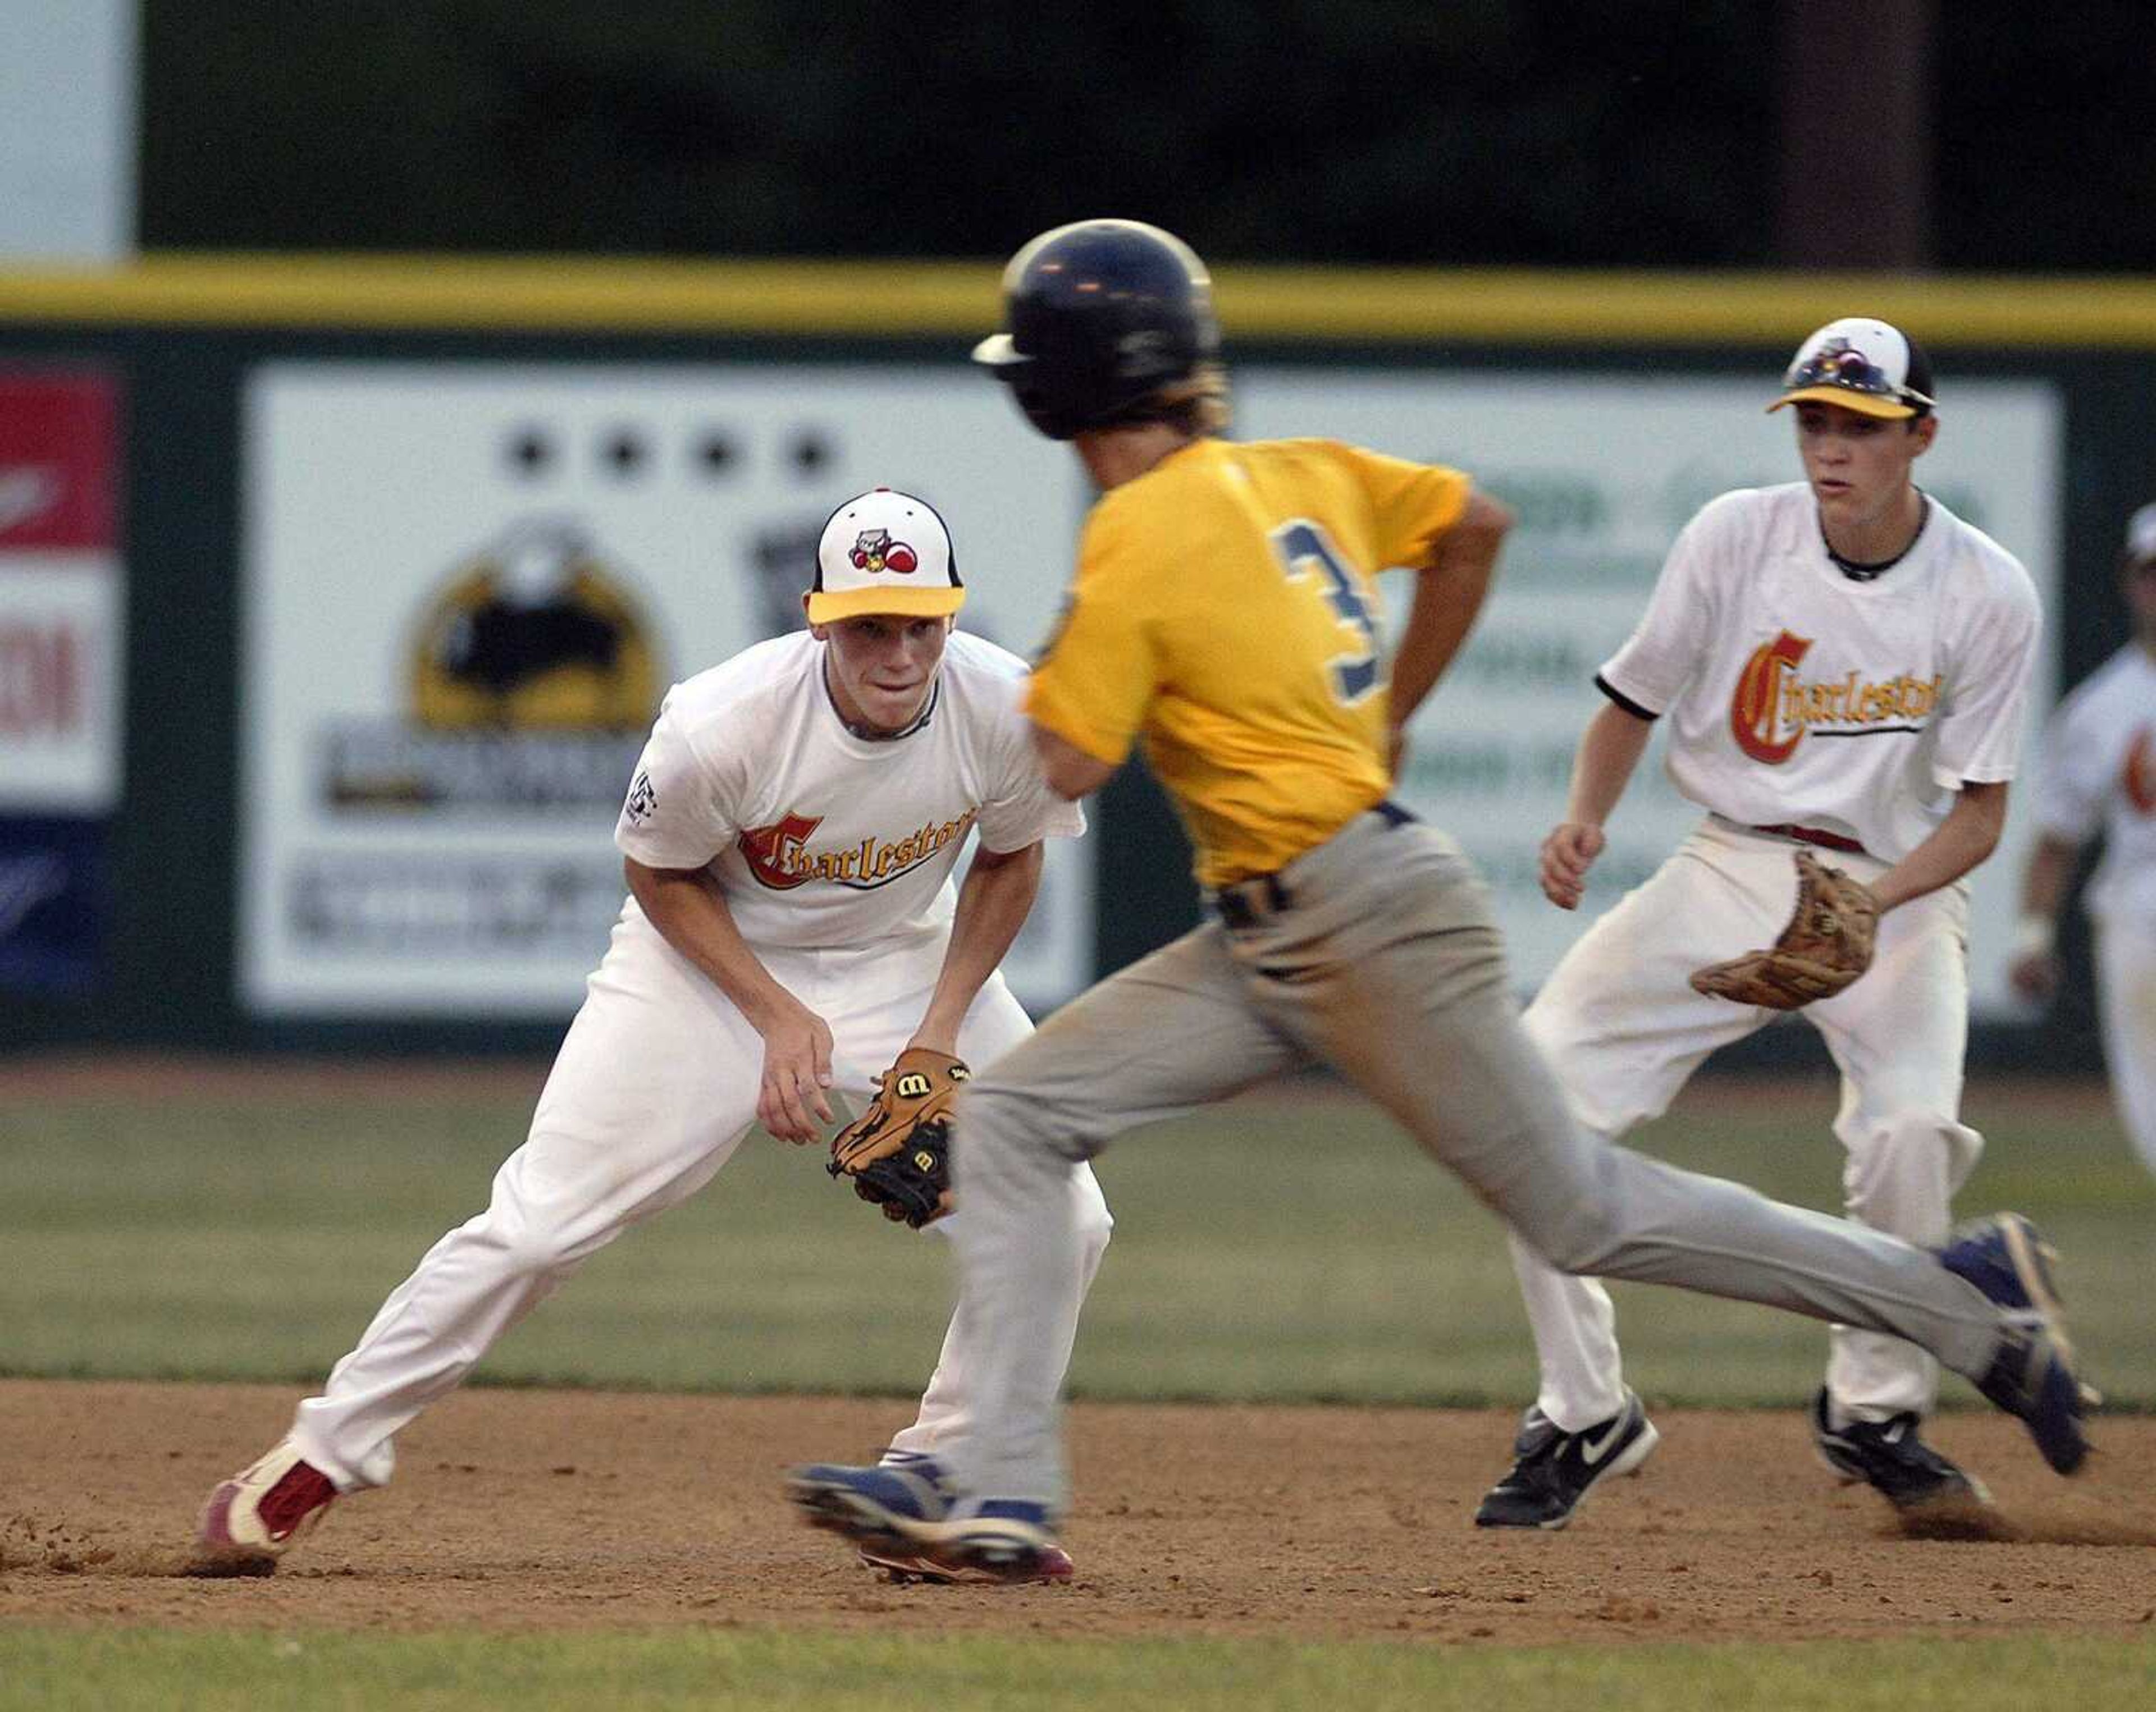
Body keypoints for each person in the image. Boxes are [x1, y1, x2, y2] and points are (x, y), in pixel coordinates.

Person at [785, 222, 2091, 1583]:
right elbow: (1474, 525)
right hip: (1269, 931)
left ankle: (1966, 1301)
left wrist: (1056, 664)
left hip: (1360, 920)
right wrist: (1387, 714)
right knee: (1015, 1113)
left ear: (1051, 386)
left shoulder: (1137, 535)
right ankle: (998, 1493)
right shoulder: (1296, 472)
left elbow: (1062, 759)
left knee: (1589, 1211)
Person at [199, 487, 1113, 1583]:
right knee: (541, 1227)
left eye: (921, 621)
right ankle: (321, 1451)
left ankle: (947, 1483)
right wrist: (776, 1017)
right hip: (707, 959)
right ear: (822, 618)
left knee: (1062, 1213)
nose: (900, 649)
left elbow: (1014, 855)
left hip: (897, 955)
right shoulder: (725, 722)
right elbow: (660, 869)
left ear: (951, 620)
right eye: (873, 621)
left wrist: (935, 1036)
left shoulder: (1007, 709)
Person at [1467, 318, 2045, 1530]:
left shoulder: (1989, 588)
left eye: (1863, 428)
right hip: (1729, 860)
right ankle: (1586, 1409)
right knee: (1531, 1107)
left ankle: (1874, 1411)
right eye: (1817, 423)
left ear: (1920, 438)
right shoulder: (1736, 535)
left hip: (1897, 884)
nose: (1833, 450)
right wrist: (1584, 818)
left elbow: (1982, 817)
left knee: (1910, 1138)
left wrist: (1865, 911)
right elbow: (1634, 697)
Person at [2009, 502, 2156, 1180]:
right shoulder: (2102, 707)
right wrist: (2034, 937)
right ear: (2131, 581)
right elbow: (2057, 838)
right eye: (2153, 572)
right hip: (2139, 918)